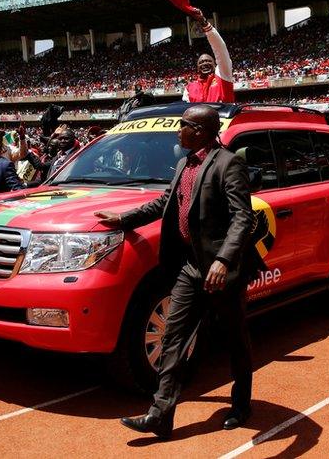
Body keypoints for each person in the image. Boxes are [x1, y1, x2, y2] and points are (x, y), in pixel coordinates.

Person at [95, 104, 257, 439]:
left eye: (182, 126)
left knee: (234, 337)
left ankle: (241, 404)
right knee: (173, 337)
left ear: (199, 130)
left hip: (220, 270)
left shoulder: (229, 164)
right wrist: (124, 219)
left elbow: (244, 218)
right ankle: (161, 414)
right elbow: (164, 203)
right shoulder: (184, 163)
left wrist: (223, 260)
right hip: (190, 267)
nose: (177, 131)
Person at [181, 9, 235, 103]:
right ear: (197, 68)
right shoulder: (189, 87)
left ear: (215, 65)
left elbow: (220, 49)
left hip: (222, 117)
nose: (205, 63)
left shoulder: (223, 76)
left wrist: (205, 24)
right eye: (201, 62)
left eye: (208, 61)